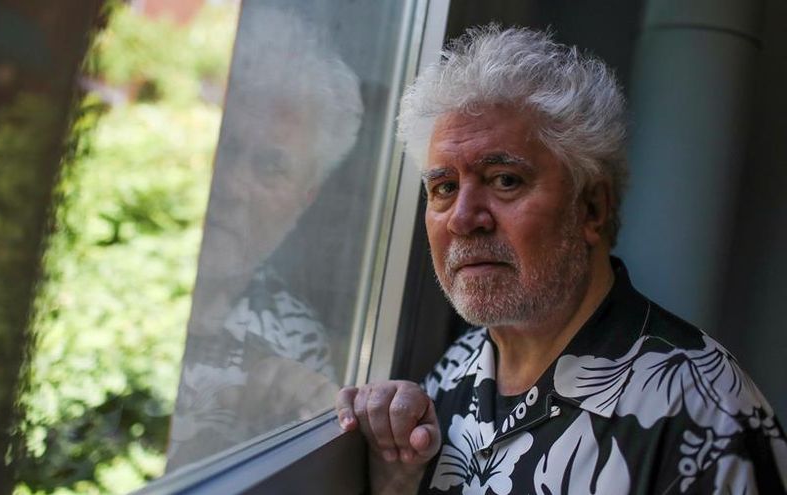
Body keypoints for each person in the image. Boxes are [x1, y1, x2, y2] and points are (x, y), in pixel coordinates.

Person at [336, 24, 787, 494]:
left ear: (591, 209)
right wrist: (396, 476)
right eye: (445, 187)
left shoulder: (707, 414)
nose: (463, 219)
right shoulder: (454, 371)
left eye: (505, 180)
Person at [167, 6, 363, 470]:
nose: (233, 186)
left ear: (302, 202)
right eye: (227, 147)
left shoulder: (296, 338)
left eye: (271, 167)